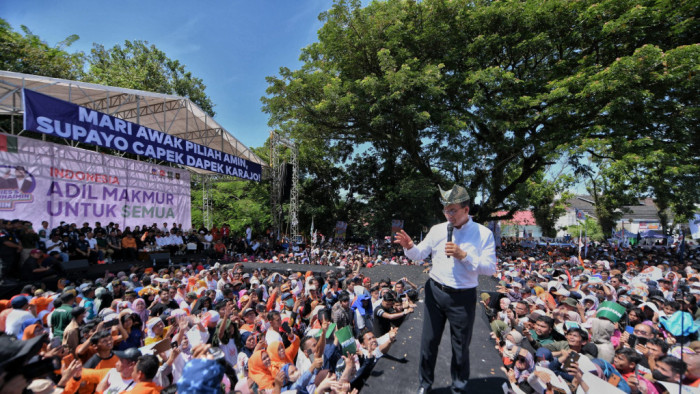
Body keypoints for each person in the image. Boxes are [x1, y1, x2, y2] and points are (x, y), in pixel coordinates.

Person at [394, 184, 497, 394]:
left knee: (460, 347)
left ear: (466, 210)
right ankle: (425, 385)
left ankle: (458, 387)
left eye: (453, 210)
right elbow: (420, 254)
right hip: (435, 292)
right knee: (428, 342)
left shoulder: (483, 234)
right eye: (445, 210)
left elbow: (490, 268)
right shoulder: (438, 229)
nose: (448, 215)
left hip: (463, 296)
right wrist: (409, 247)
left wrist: (465, 256)